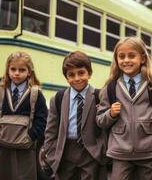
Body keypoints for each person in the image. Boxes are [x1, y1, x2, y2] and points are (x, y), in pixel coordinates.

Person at [96, 36, 152, 180]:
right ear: (116, 60)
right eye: (121, 56)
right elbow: (100, 120)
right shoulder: (111, 88)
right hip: (120, 153)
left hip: (148, 152)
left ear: (143, 58)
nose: (126, 60)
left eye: (132, 56)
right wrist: (111, 114)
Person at [43, 51, 106, 180]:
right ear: (66, 77)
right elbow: (51, 131)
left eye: (81, 73)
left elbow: (105, 126)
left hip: (91, 152)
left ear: (89, 73)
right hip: (65, 153)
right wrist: (52, 154)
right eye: (71, 75)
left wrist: (102, 149)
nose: (77, 78)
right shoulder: (58, 99)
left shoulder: (99, 96)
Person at [0, 51, 48, 180]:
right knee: (3, 175)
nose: (17, 73)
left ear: (29, 72)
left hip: (26, 146)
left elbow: (42, 119)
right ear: (7, 70)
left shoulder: (36, 94)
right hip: (3, 145)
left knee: (24, 176)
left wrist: (31, 136)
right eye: (13, 69)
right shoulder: (0, 91)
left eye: (22, 70)